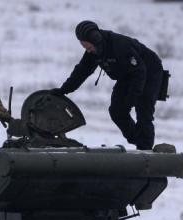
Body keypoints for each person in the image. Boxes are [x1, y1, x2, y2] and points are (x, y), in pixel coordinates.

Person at [52, 21, 165, 150]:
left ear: (95, 39)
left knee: (143, 111)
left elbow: (140, 72)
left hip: (149, 72)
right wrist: (64, 90)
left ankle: (145, 150)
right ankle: (139, 140)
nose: (88, 51)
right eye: (86, 49)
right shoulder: (94, 52)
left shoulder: (120, 46)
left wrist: (132, 98)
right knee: (117, 111)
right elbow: (81, 71)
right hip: (127, 75)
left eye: (89, 47)